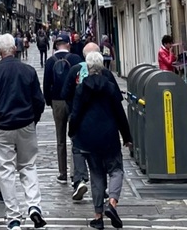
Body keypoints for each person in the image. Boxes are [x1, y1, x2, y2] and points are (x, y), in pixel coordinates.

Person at [0, 33, 47, 229]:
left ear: (0, 53)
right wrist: (33, 120)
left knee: (6, 171)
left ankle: (13, 217)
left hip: (1, 127)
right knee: (28, 165)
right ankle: (34, 206)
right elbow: (39, 101)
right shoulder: (28, 71)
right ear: (15, 49)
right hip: (25, 124)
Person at [69, 51, 132, 230]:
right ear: (102, 66)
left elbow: (76, 114)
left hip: (88, 138)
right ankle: (112, 203)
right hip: (109, 137)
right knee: (116, 169)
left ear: (88, 67)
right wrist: (126, 137)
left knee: (96, 175)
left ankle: (98, 216)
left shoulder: (81, 88)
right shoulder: (110, 87)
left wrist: (72, 133)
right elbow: (120, 114)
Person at [61, 41, 104, 201]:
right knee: (99, 150)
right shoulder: (105, 73)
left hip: (79, 116)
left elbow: (65, 92)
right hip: (101, 118)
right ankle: (101, 185)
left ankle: (80, 180)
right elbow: (116, 98)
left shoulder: (75, 69)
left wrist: (73, 109)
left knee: (78, 148)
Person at [42, 33, 82, 188]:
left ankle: (62, 173)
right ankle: (75, 173)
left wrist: (49, 101)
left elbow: (46, 84)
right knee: (75, 137)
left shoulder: (50, 61)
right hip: (73, 101)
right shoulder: (76, 59)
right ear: (68, 44)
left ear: (56, 44)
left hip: (57, 101)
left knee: (60, 139)